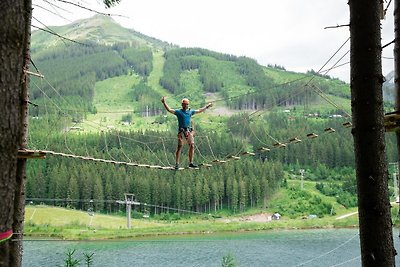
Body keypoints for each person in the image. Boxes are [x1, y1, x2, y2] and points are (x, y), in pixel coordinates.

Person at [161, 97, 213, 169]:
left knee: (192, 145)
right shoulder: (178, 112)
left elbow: (199, 110)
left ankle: (190, 163)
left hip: (188, 131)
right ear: (182, 105)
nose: (186, 106)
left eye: (187, 104)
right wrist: (164, 103)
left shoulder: (190, 112)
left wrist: (207, 107)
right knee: (179, 147)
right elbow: (169, 110)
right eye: (184, 104)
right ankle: (177, 164)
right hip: (181, 132)